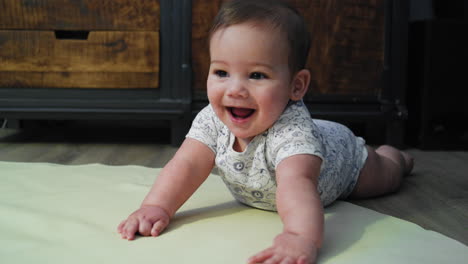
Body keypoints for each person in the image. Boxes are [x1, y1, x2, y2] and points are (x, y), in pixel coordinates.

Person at [117, 0, 414, 263]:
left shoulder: (293, 135)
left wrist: (300, 236)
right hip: (314, 137)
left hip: (346, 159)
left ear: (296, 86)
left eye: (256, 75)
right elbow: (187, 164)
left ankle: (397, 158)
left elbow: (297, 185)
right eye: (221, 72)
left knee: (384, 176)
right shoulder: (212, 119)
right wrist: (156, 207)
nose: (234, 90)